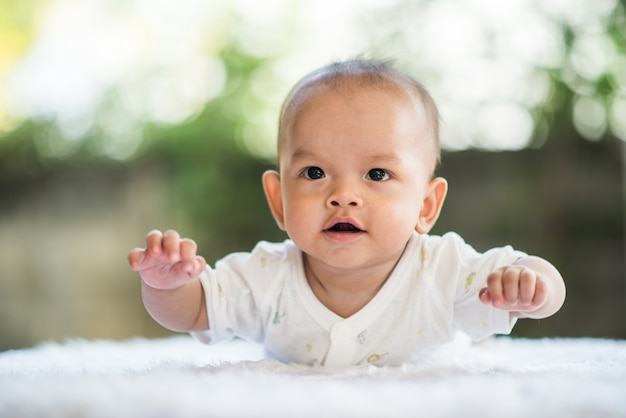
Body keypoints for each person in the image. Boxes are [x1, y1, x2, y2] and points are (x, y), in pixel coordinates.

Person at [128, 59, 566, 367]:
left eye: (377, 173)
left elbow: (536, 275)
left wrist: (534, 285)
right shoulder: (266, 276)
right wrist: (166, 286)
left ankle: (480, 340)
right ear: (279, 201)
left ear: (426, 206)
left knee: (479, 338)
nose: (343, 195)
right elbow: (196, 310)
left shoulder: (443, 270)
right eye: (314, 172)